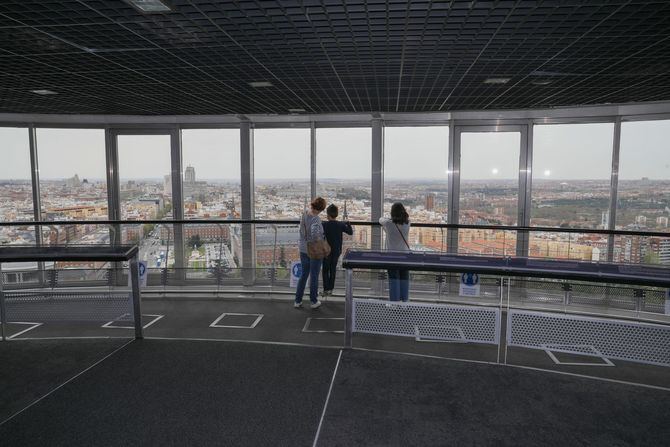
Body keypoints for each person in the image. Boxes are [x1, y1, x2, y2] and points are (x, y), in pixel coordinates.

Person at [295, 197, 328, 309]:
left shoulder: (304, 214)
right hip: (314, 251)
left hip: (303, 248)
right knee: (314, 276)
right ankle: (313, 301)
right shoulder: (316, 219)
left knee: (304, 275)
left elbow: (302, 231)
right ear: (321, 209)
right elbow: (315, 236)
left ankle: (297, 300)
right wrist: (322, 237)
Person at [379, 202, 410, 302]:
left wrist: (389, 218)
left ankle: (395, 302)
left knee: (394, 279)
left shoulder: (388, 224)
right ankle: (404, 301)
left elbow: (380, 220)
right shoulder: (407, 223)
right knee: (404, 278)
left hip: (391, 257)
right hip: (405, 256)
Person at [321, 204, 353, 297]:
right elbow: (350, 232)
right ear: (337, 214)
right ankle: (331, 289)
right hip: (337, 251)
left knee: (325, 270)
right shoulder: (340, 224)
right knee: (333, 269)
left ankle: (326, 289)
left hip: (326, 251)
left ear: (328, 214)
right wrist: (348, 223)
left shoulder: (324, 224)